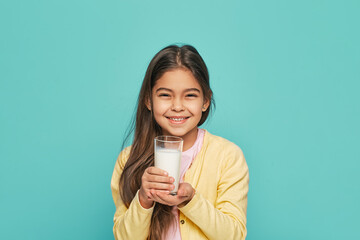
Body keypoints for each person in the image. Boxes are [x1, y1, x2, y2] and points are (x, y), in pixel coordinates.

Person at [111, 44, 249, 240]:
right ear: (148, 100)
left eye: (190, 95)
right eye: (165, 95)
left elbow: (234, 235)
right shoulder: (129, 159)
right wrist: (143, 199)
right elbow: (124, 237)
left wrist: (191, 200)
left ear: (205, 101)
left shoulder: (228, 156)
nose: (177, 106)